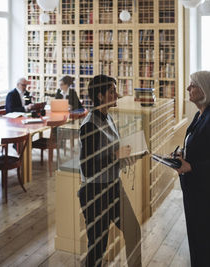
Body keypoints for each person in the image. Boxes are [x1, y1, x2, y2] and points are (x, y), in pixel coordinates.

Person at [78, 74, 142, 267]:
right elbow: (87, 168)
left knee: (133, 231)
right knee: (98, 247)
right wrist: (116, 156)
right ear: (100, 96)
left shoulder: (108, 117)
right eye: (112, 91)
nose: (117, 94)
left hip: (113, 187)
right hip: (95, 193)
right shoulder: (89, 125)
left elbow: (110, 153)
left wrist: (125, 157)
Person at [174, 71, 210, 267]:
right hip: (195, 191)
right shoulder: (201, 115)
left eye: (193, 85)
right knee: (197, 244)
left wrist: (190, 166)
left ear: (205, 90)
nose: (188, 88)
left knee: (205, 246)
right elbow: (201, 149)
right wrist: (183, 156)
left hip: (205, 194)